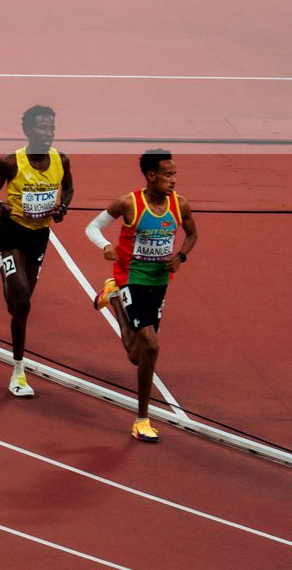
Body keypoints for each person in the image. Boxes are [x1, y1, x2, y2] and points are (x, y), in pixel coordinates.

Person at [86, 151, 198, 442]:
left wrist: (181, 257)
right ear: (151, 176)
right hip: (131, 276)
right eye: (168, 175)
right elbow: (92, 227)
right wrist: (105, 246)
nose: (174, 180)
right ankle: (142, 420)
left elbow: (192, 235)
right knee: (151, 345)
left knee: (137, 356)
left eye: (175, 175)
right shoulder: (129, 203)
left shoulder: (180, 205)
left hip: (159, 281)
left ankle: (112, 297)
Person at [0, 105, 73, 398]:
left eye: (51, 127)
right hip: (11, 233)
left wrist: (62, 207)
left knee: (15, 306)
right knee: (24, 301)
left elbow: (68, 188)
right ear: (28, 130)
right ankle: (18, 373)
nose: (48, 132)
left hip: (39, 236)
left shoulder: (61, 160)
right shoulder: (10, 162)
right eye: (42, 127)